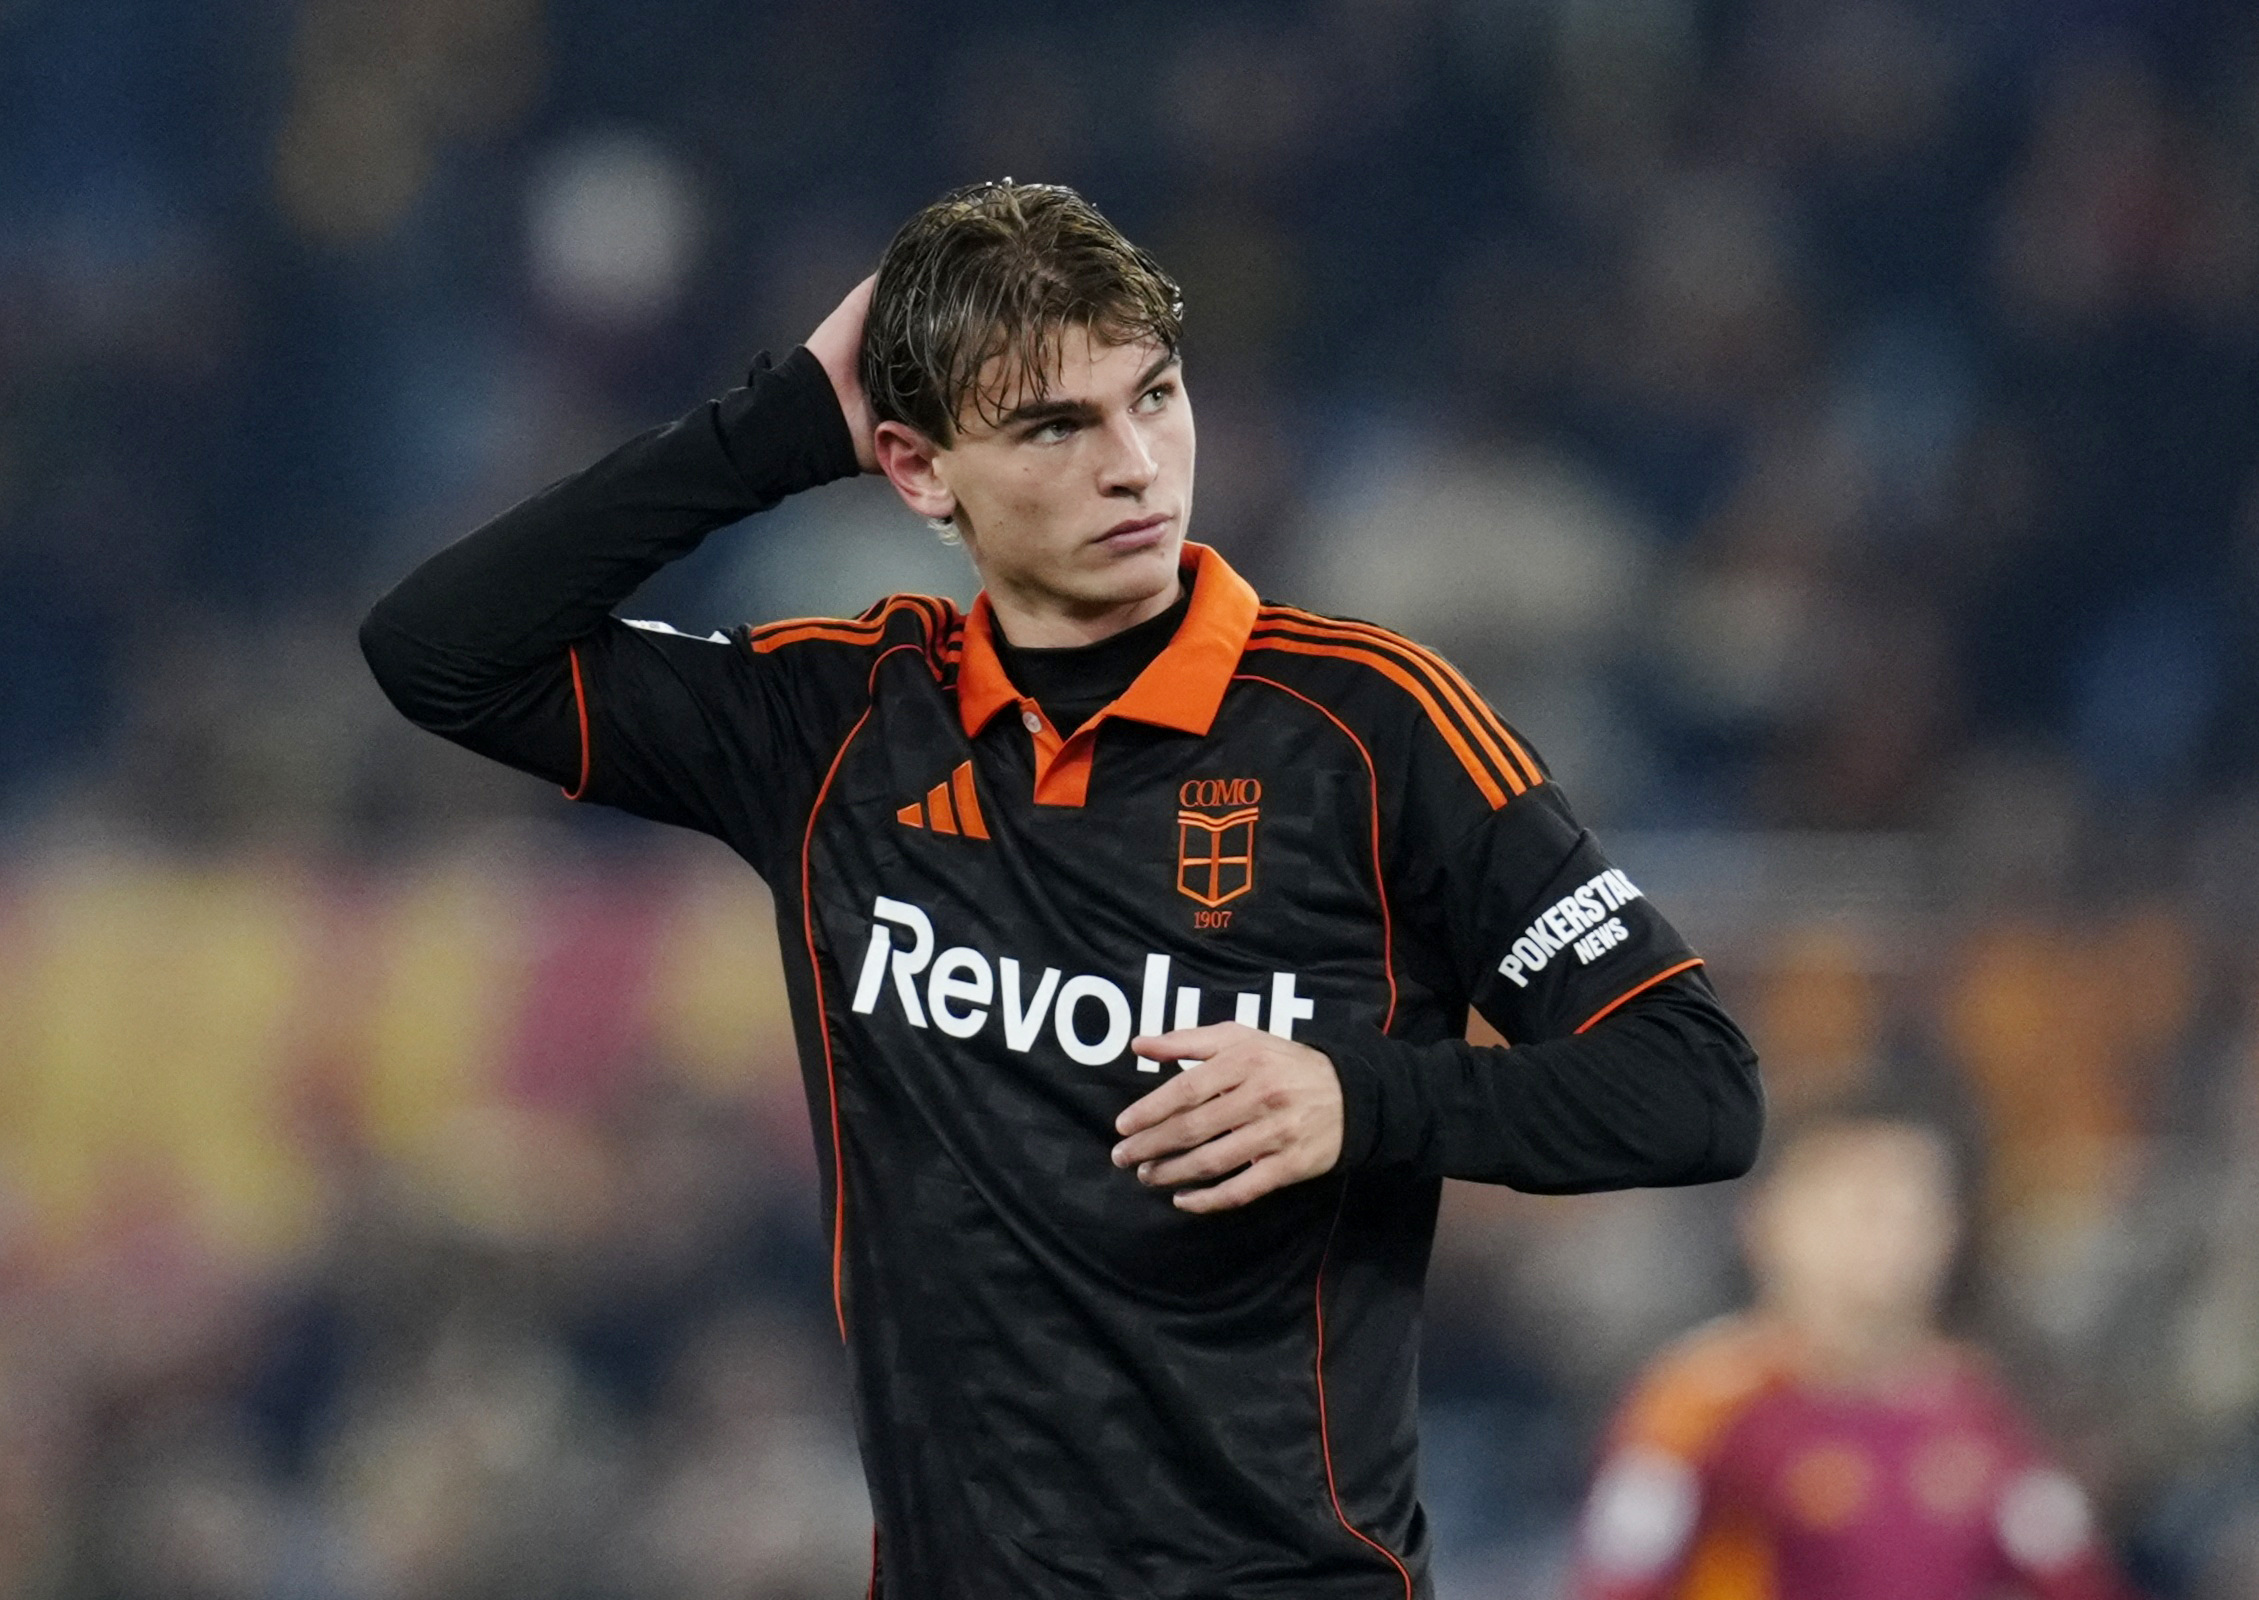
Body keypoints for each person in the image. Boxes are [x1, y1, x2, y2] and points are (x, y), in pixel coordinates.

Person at [361, 180, 1763, 1599]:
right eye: (1053, 425)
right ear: (914, 470)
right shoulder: (836, 723)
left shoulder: (1371, 728)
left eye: (1153, 397)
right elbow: (440, 652)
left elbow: (1694, 1085)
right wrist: (776, 428)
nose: (1135, 464)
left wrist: (1363, 1099)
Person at [1569, 1115, 2134, 1600]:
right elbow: (1617, 1579)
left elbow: (2074, 1574)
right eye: (1856, 1209)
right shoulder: (1696, 1403)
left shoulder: (1979, 1409)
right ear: (1768, 1221)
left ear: (1947, 1233)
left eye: (1907, 1211)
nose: (1883, 1240)